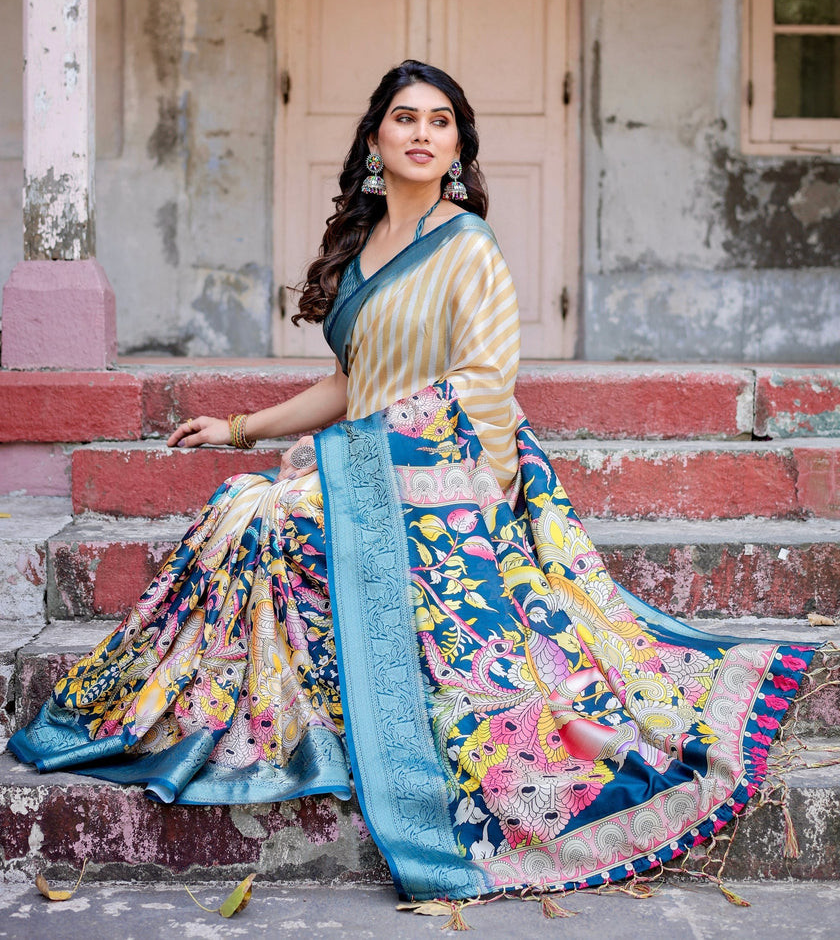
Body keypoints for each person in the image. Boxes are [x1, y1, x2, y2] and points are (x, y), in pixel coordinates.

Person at [10, 61, 814, 904]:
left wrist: (357, 451)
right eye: (405, 118)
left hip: (453, 475)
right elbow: (352, 383)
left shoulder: (468, 245)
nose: (423, 133)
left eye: (440, 121)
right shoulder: (360, 253)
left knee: (266, 512)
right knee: (239, 506)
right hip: (368, 462)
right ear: (374, 140)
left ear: (459, 144)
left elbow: (485, 381)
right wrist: (242, 428)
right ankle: (219, 713)